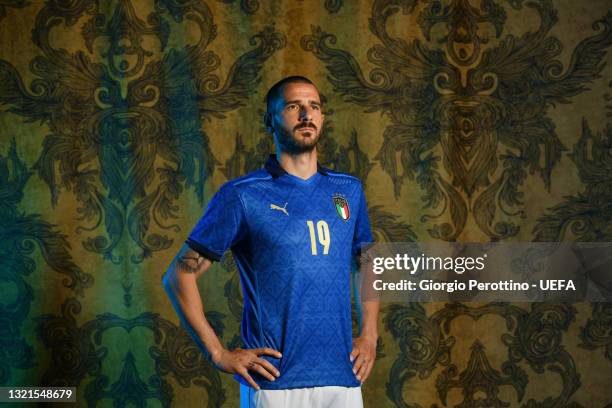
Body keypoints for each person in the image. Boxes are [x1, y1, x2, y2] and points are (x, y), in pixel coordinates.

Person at [162, 76, 379, 407]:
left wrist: (370, 335)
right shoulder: (243, 195)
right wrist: (218, 352)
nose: (306, 114)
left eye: (314, 106)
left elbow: (367, 260)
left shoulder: (347, 189)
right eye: (293, 106)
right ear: (270, 121)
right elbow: (179, 274)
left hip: (342, 379)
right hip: (275, 383)